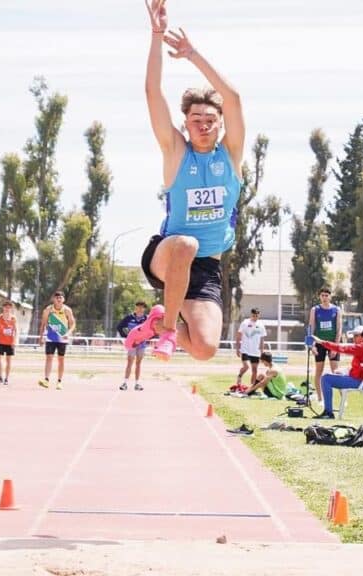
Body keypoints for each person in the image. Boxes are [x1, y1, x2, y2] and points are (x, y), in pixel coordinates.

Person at [123, 0, 245, 363]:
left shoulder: (231, 156)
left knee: (206, 349)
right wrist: (157, 36)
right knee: (187, 242)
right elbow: (152, 93)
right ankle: (167, 333)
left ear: (220, 124)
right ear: (186, 124)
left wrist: (192, 54)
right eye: (195, 119)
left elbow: (234, 99)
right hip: (168, 253)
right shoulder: (176, 152)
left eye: (210, 119)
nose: (203, 125)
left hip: (206, 266)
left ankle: (160, 322)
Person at [312, 325, 363, 419]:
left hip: (360, 382)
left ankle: (328, 412)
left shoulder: (362, 347)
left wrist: (321, 342)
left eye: (356, 336)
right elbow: (361, 367)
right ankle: (328, 411)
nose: (354, 338)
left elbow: (342, 349)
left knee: (325, 378)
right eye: (353, 336)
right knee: (328, 377)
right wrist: (345, 371)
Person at [308, 287, 342, 403]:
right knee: (319, 371)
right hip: (319, 343)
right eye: (322, 295)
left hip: (332, 343)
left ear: (330, 296)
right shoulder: (315, 310)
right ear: (319, 297)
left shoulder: (336, 310)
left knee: (336, 371)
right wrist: (311, 345)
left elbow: (339, 329)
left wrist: (336, 347)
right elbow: (311, 327)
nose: (324, 298)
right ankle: (320, 398)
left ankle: (343, 399)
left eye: (326, 295)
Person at [37, 291, 76, 390]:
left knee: (61, 360)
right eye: (57, 297)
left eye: (61, 297)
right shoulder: (48, 310)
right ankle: (46, 380)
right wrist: (41, 337)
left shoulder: (67, 310)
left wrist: (68, 333)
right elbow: (43, 324)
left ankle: (59, 382)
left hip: (62, 339)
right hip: (50, 338)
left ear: (63, 299)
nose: (59, 299)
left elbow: (73, 324)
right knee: (49, 358)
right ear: (53, 299)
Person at [116, 302, 150, 391]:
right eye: (138, 307)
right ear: (135, 308)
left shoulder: (147, 319)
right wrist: (128, 337)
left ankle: (137, 384)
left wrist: (146, 338)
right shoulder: (129, 318)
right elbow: (120, 327)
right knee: (129, 362)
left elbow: (152, 329)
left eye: (142, 307)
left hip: (142, 344)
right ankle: (125, 383)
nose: (140, 309)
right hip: (132, 344)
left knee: (138, 363)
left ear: (144, 309)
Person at [234, 308, 267, 389]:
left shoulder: (261, 325)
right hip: (245, 349)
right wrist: (237, 349)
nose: (255, 317)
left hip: (255, 351)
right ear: (251, 315)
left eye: (257, 316)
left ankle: (251, 387)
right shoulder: (245, 323)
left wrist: (262, 352)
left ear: (259, 315)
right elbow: (238, 336)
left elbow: (262, 339)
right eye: (253, 315)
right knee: (246, 367)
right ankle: (239, 376)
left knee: (255, 370)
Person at [0, 301, 18, 385]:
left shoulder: (13, 318)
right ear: (3, 308)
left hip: (9, 342)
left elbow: (16, 330)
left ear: (11, 309)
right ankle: (0, 377)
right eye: (6, 307)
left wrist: (15, 341)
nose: (7, 309)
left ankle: (6, 378)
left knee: (8, 360)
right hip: (0, 341)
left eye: (9, 307)